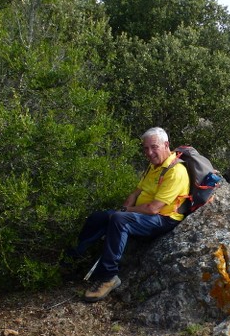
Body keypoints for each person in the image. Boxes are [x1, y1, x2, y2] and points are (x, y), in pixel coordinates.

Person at [68, 127, 190, 302]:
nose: (149, 152)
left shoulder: (175, 172)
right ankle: (76, 256)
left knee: (119, 220)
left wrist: (124, 213)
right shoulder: (154, 166)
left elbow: (154, 208)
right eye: (146, 148)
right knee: (99, 217)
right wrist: (122, 210)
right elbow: (136, 193)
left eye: (154, 147)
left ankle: (108, 277)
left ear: (166, 145)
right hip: (143, 214)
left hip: (163, 219)